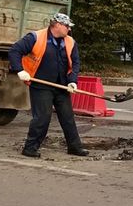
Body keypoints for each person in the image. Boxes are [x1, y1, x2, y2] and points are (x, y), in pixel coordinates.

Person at [8, 12, 88, 158]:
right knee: (42, 117)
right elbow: (14, 51)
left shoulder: (70, 42)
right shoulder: (35, 37)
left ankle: (75, 147)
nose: (69, 29)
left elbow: (75, 63)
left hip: (62, 85)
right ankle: (30, 148)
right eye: (67, 26)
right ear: (57, 25)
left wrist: (72, 80)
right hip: (41, 85)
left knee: (67, 117)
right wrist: (20, 70)